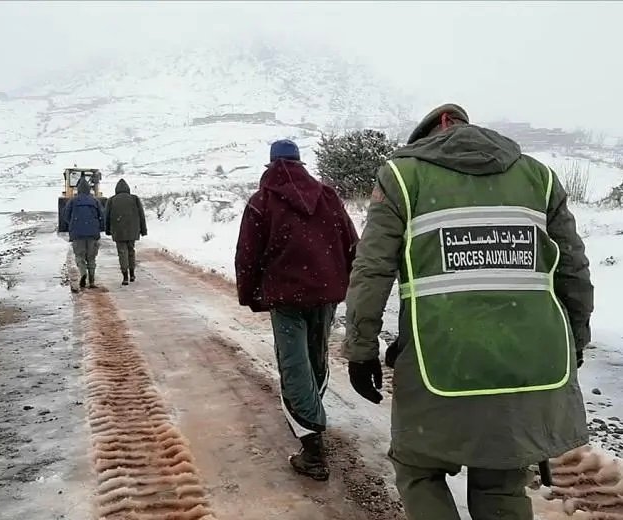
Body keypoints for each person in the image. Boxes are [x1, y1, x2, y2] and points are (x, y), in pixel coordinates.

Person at [343, 104, 594, 520]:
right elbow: (573, 268)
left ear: (433, 133)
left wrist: (361, 348)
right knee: (501, 480)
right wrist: (576, 340)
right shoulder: (537, 177)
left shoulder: (404, 176)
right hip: (526, 359)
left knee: (417, 468)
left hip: (440, 356)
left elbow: (371, 269)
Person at [235, 139, 359, 481]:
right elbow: (352, 243)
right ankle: (311, 416)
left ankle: (313, 449)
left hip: (286, 298)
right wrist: (347, 282)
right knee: (315, 359)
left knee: (294, 365)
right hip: (325, 295)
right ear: (301, 163)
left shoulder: (262, 202)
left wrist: (250, 295)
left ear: (270, 166)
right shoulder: (329, 197)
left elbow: (247, 256)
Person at [62, 178, 106, 290]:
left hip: (77, 234)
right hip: (92, 234)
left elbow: (66, 216)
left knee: (79, 256)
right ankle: (91, 281)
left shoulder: (72, 201)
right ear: (89, 189)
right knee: (91, 257)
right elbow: (102, 216)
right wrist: (98, 228)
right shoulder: (95, 201)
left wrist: (73, 224)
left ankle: (83, 273)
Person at [105, 178, 147, 286]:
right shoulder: (135, 199)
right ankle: (132, 273)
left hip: (118, 231)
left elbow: (107, 217)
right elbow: (141, 215)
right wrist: (143, 230)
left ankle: (125, 276)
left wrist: (108, 230)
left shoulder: (111, 200)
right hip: (132, 230)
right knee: (131, 251)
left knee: (122, 253)